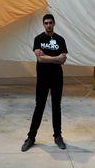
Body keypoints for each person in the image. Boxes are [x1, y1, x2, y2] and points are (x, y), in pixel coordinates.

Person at [21, 13, 68, 152]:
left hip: (57, 78)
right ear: (43, 24)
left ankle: (58, 136)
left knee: (56, 107)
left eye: (50, 23)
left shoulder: (60, 40)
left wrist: (49, 57)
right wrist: (56, 58)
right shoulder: (38, 39)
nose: (48, 25)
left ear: (54, 24)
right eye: (46, 23)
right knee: (39, 106)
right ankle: (31, 137)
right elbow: (40, 59)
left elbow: (63, 60)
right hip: (43, 78)